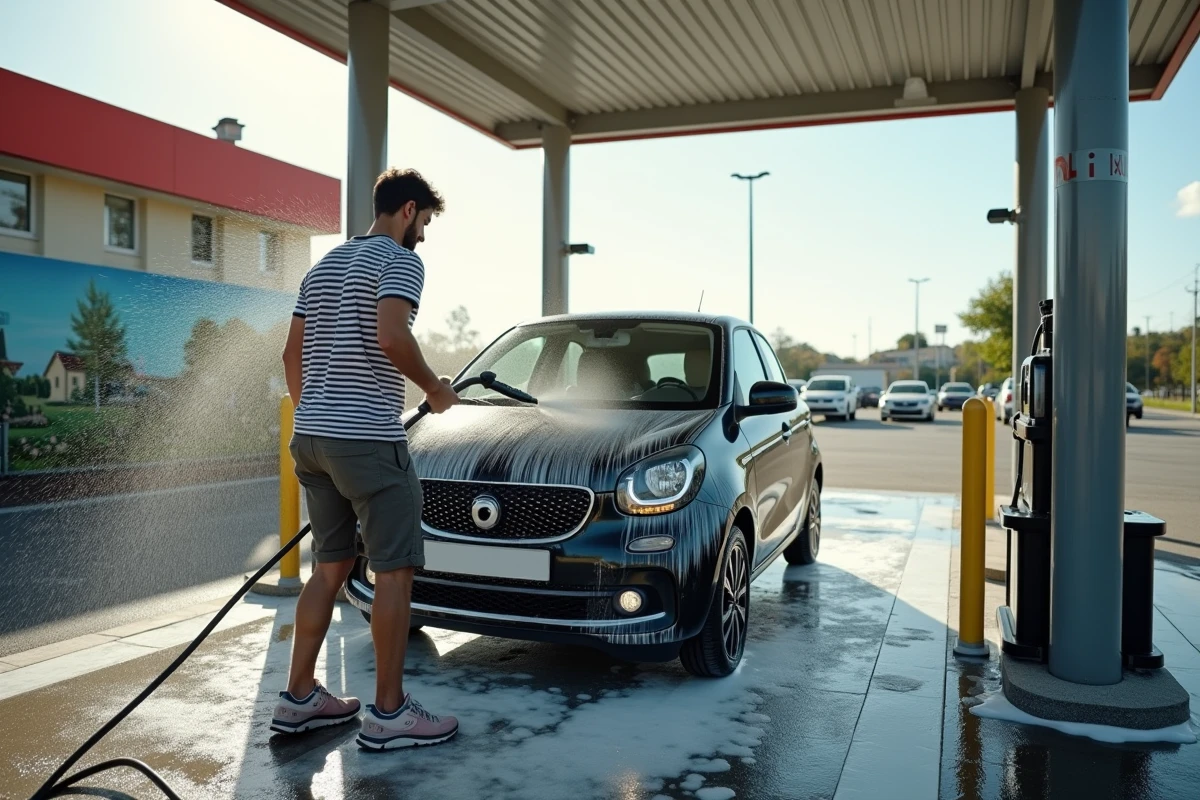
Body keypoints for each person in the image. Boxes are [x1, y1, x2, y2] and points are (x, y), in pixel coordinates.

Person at [271, 168, 460, 750]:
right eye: (424, 222)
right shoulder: (400, 262)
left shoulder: (323, 265)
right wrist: (434, 388)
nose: (423, 236)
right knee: (394, 571)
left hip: (312, 439)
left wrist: (319, 418)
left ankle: (299, 697)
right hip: (370, 442)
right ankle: (388, 712)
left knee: (329, 569)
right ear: (407, 210)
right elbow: (390, 336)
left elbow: (290, 356)